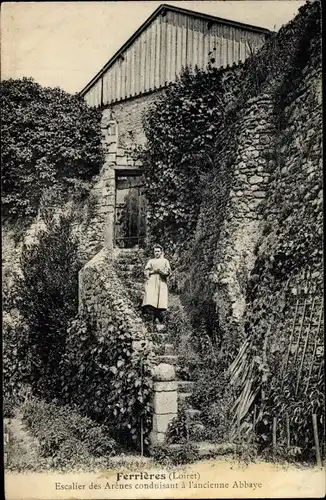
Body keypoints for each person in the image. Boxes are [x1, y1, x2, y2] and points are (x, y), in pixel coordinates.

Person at [142, 244, 171, 323]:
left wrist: (161, 272)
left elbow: (168, 272)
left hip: (161, 281)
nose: (157, 253)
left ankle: (160, 316)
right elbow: (146, 271)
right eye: (155, 251)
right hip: (152, 281)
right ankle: (151, 317)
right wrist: (153, 271)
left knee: (160, 298)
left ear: (161, 252)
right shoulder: (151, 261)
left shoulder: (165, 261)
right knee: (152, 298)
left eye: (158, 251)